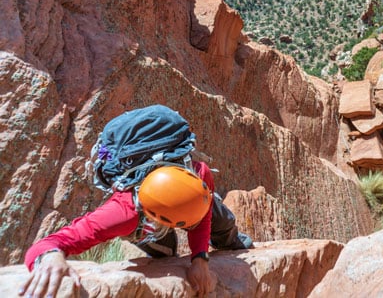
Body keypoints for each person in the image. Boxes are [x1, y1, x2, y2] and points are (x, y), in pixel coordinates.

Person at [18, 106, 252, 298]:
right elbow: (50, 243)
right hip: (146, 221)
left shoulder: (198, 175)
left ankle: (232, 239)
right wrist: (49, 257)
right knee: (163, 251)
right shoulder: (123, 214)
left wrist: (200, 258)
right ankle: (161, 240)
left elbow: (202, 220)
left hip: (187, 201)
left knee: (223, 223)